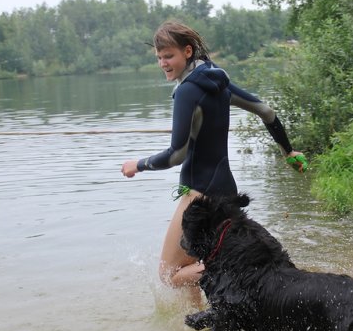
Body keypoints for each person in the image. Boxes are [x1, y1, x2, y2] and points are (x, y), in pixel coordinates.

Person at [121, 21, 307, 290]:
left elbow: (176, 156)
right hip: (226, 193)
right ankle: (194, 324)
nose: (163, 63)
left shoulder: (187, 91)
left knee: (170, 274)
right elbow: (267, 112)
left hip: (200, 197)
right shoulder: (219, 81)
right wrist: (288, 151)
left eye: (168, 56)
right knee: (188, 268)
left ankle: (237, 270)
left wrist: (137, 165)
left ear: (187, 52)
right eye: (159, 57)